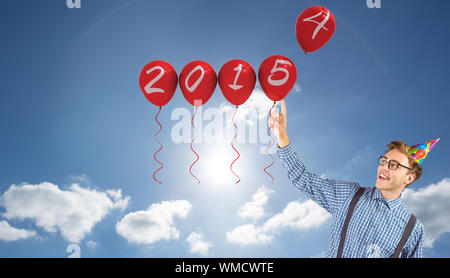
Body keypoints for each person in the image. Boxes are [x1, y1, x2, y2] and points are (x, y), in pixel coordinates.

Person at [268, 99, 438, 258]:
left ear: (409, 178)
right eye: (384, 161)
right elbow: (305, 180)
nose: (384, 167)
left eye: (393, 165)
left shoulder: (413, 229)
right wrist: (282, 136)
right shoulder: (349, 195)